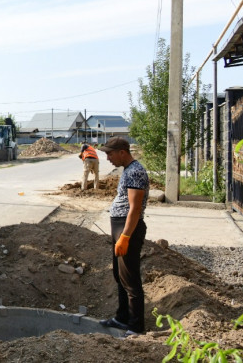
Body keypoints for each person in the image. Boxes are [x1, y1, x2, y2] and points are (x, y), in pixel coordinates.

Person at [97, 137, 148, 337]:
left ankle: (136, 327)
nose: (108, 158)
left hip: (128, 228)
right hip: (120, 225)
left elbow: (134, 209)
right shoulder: (128, 170)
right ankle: (122, 318)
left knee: (130, 278)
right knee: (120, 276)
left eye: (110, 154)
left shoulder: (135, 172)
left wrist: (125, 236)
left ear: (122, 152)